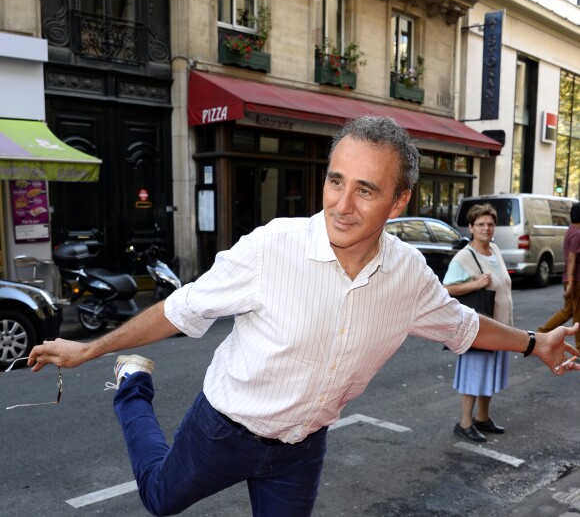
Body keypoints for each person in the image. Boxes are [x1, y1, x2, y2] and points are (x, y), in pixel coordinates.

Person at [27, 116, 579, 517]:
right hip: (224, 428)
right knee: (159, 499)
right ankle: (131, 387)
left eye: (366, 190)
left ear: (399, 202)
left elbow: (463, 326)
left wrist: (538, 342)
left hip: (302, 448)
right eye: (336, 180)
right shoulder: (273, 247)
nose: (342, 204)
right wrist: (90, 349)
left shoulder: (409, 275)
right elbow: (182, 307)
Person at [443, 204, 512, 442]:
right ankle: (464, 423)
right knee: (474, 374)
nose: (486, 228)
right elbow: (445, 289)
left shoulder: (494, 249)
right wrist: (475, 284)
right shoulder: (464, 257)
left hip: (501, 326)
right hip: (478, 328)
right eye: (480, 224)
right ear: (471, 227)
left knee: (490, 373)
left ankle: (483, 417)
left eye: (490, 224)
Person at [537, 202, 580, 349]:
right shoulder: (577, 234)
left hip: (571, 278)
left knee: (568, 311)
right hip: (576, 279)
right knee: (578, 315)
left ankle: (541, 333)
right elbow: (572, 258)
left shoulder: (572, 230)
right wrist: (571, 282)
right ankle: (579, 348)